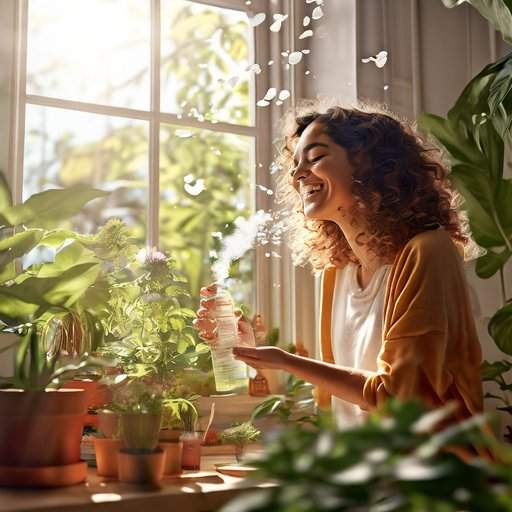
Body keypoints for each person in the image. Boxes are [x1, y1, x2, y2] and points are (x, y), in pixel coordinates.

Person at [194, 102, 486, 433]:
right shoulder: (339, 271)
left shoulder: (427, 251)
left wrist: (286, 361)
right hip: (361, 473)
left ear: (369, 164)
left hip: (430, 478)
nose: (297, 174)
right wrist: (257, 355)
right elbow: (341, 398)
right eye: (295, 165)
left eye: (316, 157)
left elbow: (398, 400)